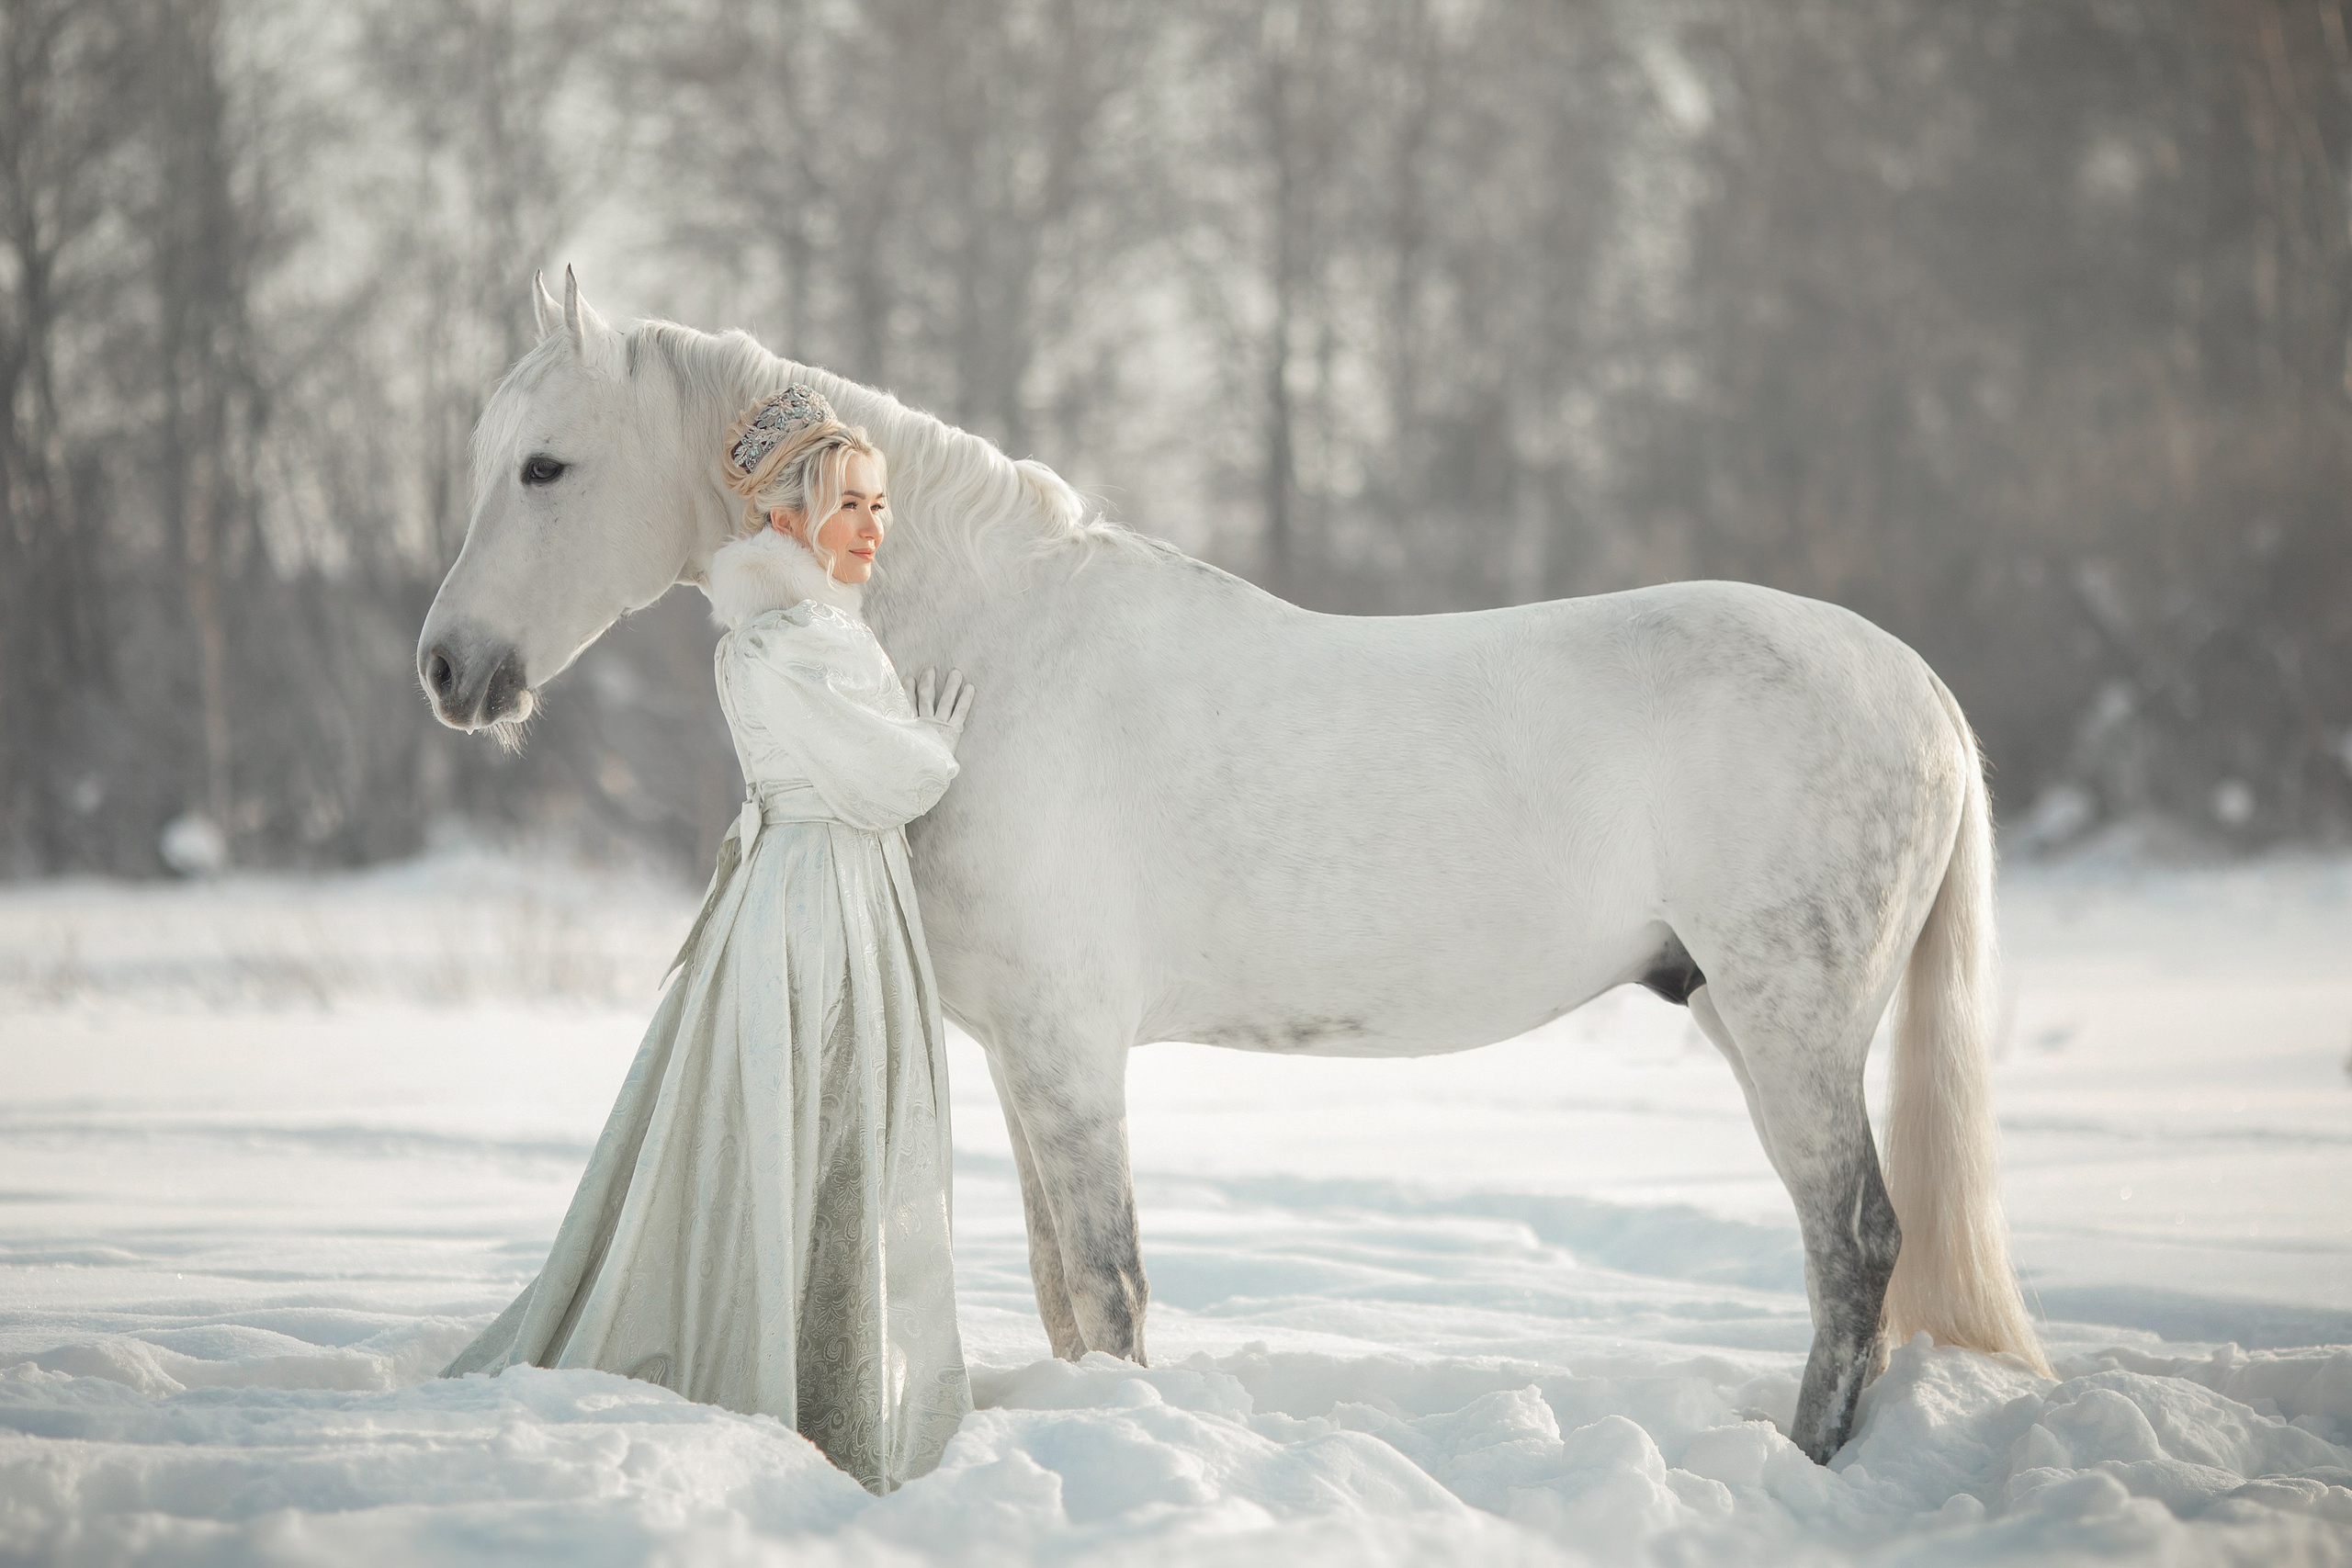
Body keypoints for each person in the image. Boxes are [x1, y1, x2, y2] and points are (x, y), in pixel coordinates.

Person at [442, 384, 976, 1493]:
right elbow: (893, 778)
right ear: (785, 518)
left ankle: (823, 1357)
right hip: (817, 900)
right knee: (808, 1119)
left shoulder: (806, 630)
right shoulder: (792, 645)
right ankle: (784, 1366)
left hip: (824, 890)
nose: (876, 526)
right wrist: (935, 744)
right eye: (851, 506)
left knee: (825, 1127)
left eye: (880, 504)